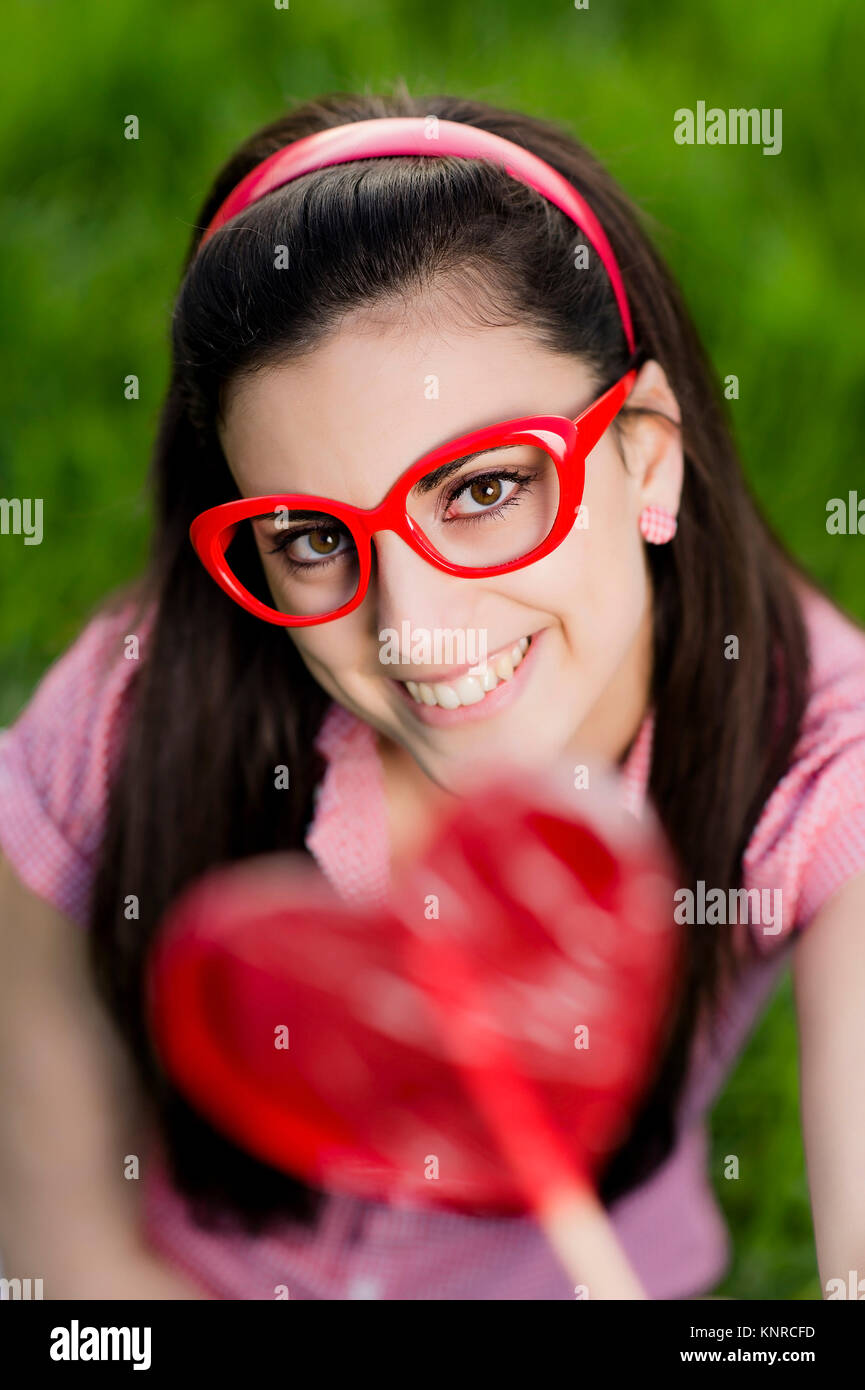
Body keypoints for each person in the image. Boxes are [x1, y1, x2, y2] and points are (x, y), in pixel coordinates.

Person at [1, 86, 864, 1301]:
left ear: (647, 453)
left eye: (478, 491)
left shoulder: (820, 753)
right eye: (309, 535)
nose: (408, 630)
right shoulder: (130, 720)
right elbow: (57, 1250)